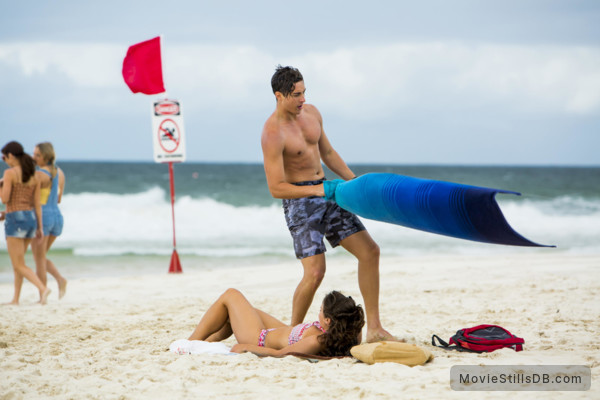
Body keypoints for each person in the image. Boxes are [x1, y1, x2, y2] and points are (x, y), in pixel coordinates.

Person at [261, 65, 396, 343]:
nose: (302, 100)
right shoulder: (272, 133)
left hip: (330, 192)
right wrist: (318, 189)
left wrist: (355, 183)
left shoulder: (312, 114)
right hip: (300, 202)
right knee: (315, 272)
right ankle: (291, 335)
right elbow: (276, 188)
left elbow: (329, 153)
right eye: (296, 95)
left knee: (370, 251)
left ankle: (374, 329)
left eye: (304, 92)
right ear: (279, 95)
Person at [188, 288, 364, 357]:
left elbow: (281, 354)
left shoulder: (316, 340)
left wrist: (247, 348)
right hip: (282, 330)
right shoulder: (350, 330)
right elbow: (356, 324)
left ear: (328, 320)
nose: (317, 313)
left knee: (231, 295)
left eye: (320, 310)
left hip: (260, 338)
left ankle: (190, 342)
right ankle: (205, 343)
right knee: (240, 312)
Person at [1, 141, 51, 305]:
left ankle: (42, 289)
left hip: (15, 219)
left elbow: (5, 198)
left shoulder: (9, 173)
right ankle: (15, 299)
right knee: (19, 263)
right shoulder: (33, 175)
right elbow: (36, 204)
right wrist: (40, 227)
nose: (4, 160)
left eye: (4, 157)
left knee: (19, 264)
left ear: (11, 156)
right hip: (30, 219)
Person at [31, 142, 67, 299]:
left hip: (43, 217)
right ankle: (60, 279)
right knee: (41, 256)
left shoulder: (39, 175)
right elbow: (58, 199)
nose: (34, 158)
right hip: (57, 216)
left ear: (45, 156)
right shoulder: (60, 173)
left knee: (39, 259)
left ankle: (42, 295)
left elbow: (33, 200)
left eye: (37, 155)